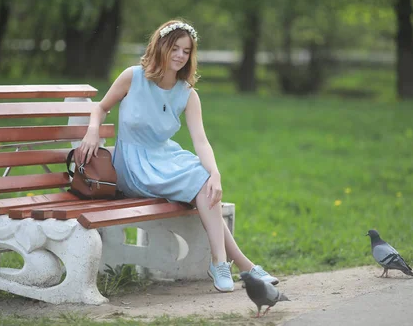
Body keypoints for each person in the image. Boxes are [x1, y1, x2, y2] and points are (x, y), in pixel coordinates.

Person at [77, 19, 278, 292]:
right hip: (133, 166)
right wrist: (92, 131)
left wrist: (216, 174)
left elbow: (201, 142)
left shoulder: (187, 94)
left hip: (166, 159)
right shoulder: (132, 77)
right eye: (175, 48)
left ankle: (224, 263)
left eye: (186, 51)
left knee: (205, 181)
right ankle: (245, 267)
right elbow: (100, 108)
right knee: (201, 185)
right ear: (161, 46)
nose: (180, 55)